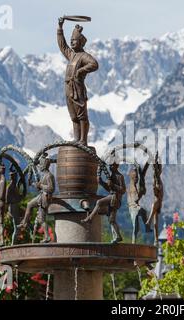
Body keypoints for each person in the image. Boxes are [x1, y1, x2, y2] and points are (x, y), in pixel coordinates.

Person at [57, 17, 99, 145]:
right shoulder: (71, 55)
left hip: (78, 87)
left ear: (80, 42)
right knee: (73, 116)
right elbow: (62, 45)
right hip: (68, 87)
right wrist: (60, 28)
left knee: (81, 115)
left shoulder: (84, 56)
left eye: (74, 40)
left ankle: (83, 140)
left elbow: (94, 64)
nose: (71, 42)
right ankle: (76, 139)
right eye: (71, 40)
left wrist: (81, 71)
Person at [82, 161, 126, 244]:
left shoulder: (120, 176)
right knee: (111, 220)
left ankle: (90, 218)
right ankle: (118, 236)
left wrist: (113, 185)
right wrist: (102, 182)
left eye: (112, 165)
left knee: (99, 202)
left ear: (116, 166)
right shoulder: (112, 176)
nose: (110, 166)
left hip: (115, 198)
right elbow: (109, 189)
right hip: (112, 197)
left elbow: (123, 190)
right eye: (110, 165)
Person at [18, 156, 55, 243]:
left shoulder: (49, 176)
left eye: (41, 165)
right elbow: (41, 187)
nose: (40, 166)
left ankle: (47, 237)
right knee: (29, 204)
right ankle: (25, 222)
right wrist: (35, 184)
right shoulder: (44, 175)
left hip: (45, 199)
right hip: (41, 197)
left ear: (45, 166)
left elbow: (51, 189)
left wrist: (41, 186)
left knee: (41, 219)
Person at [127, 163, 151, 244]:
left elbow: (142, 178)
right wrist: (140, 193)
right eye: (136, 177)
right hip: (132, 207)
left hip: (135, 206)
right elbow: (135, 199)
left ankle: (147, 227)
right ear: (133, 177)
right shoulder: (131, 187)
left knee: (143, 211)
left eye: (137, 177)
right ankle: (133, 242)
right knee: (136, 227)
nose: (137, 179)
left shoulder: (134, 186)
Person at [146, 154, 163, 246]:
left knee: (154, 204)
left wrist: (156, 160)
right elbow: (156, 171)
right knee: (156, 223)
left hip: (158, 202)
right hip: (157, 202)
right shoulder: (156, 180)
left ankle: (149, 220)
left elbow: (157, 171)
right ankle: (156, 240)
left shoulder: (159, 181)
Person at [6, 166, 22, 245]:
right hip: (12, 207)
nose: (16, 178)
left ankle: (15, 243)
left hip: (15, 206)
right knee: (16, 227)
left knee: (18, 226)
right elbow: (7, 199)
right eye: (16, 177)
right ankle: (13, 244)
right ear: (13, 177)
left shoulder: (14, 186)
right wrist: (16, 199)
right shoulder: (10, 187)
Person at [0, 163, 7, 246]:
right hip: (0, 202)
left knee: (1, 222)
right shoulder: (1, 179)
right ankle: (1, 239)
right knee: (0, 222)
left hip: (1, 202)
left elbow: (1, 194)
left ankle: (2, 240)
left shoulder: (2, 180)